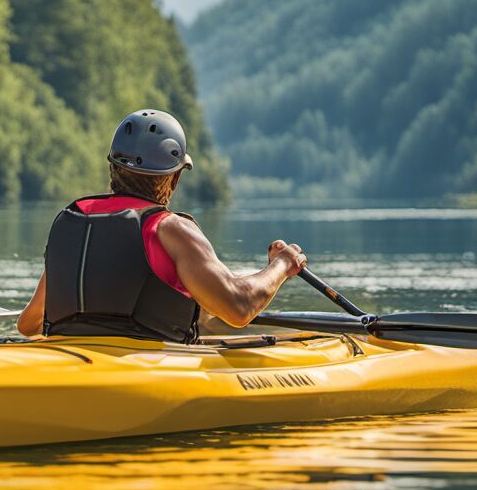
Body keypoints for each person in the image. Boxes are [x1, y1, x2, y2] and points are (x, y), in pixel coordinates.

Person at [16, 108, 307, 341]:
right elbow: (239, 308)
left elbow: (29, 324)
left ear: (113, 168)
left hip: (70, 360)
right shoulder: (170, 229)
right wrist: (282, 265)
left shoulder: (73, 221)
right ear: (174, 177)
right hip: (143, 371)